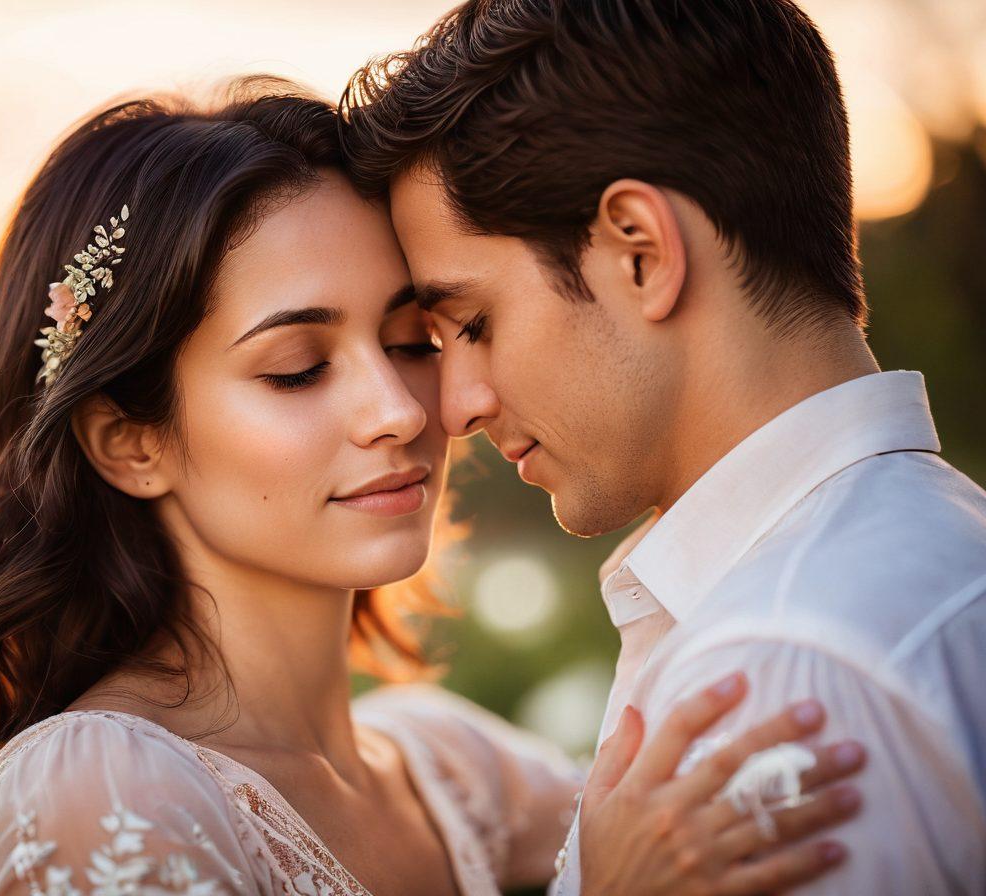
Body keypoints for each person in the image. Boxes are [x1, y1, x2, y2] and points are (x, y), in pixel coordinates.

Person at [0, 83, 862, 896]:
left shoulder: (448, 769)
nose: (400, 406)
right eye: (298, 367)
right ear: (130, 441)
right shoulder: (94, 790)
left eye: (413, 340)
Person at [339, 0, 986, 892]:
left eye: (475, 322)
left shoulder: (775, 679)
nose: (457, 408)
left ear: (639, 252)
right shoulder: (951, 546)